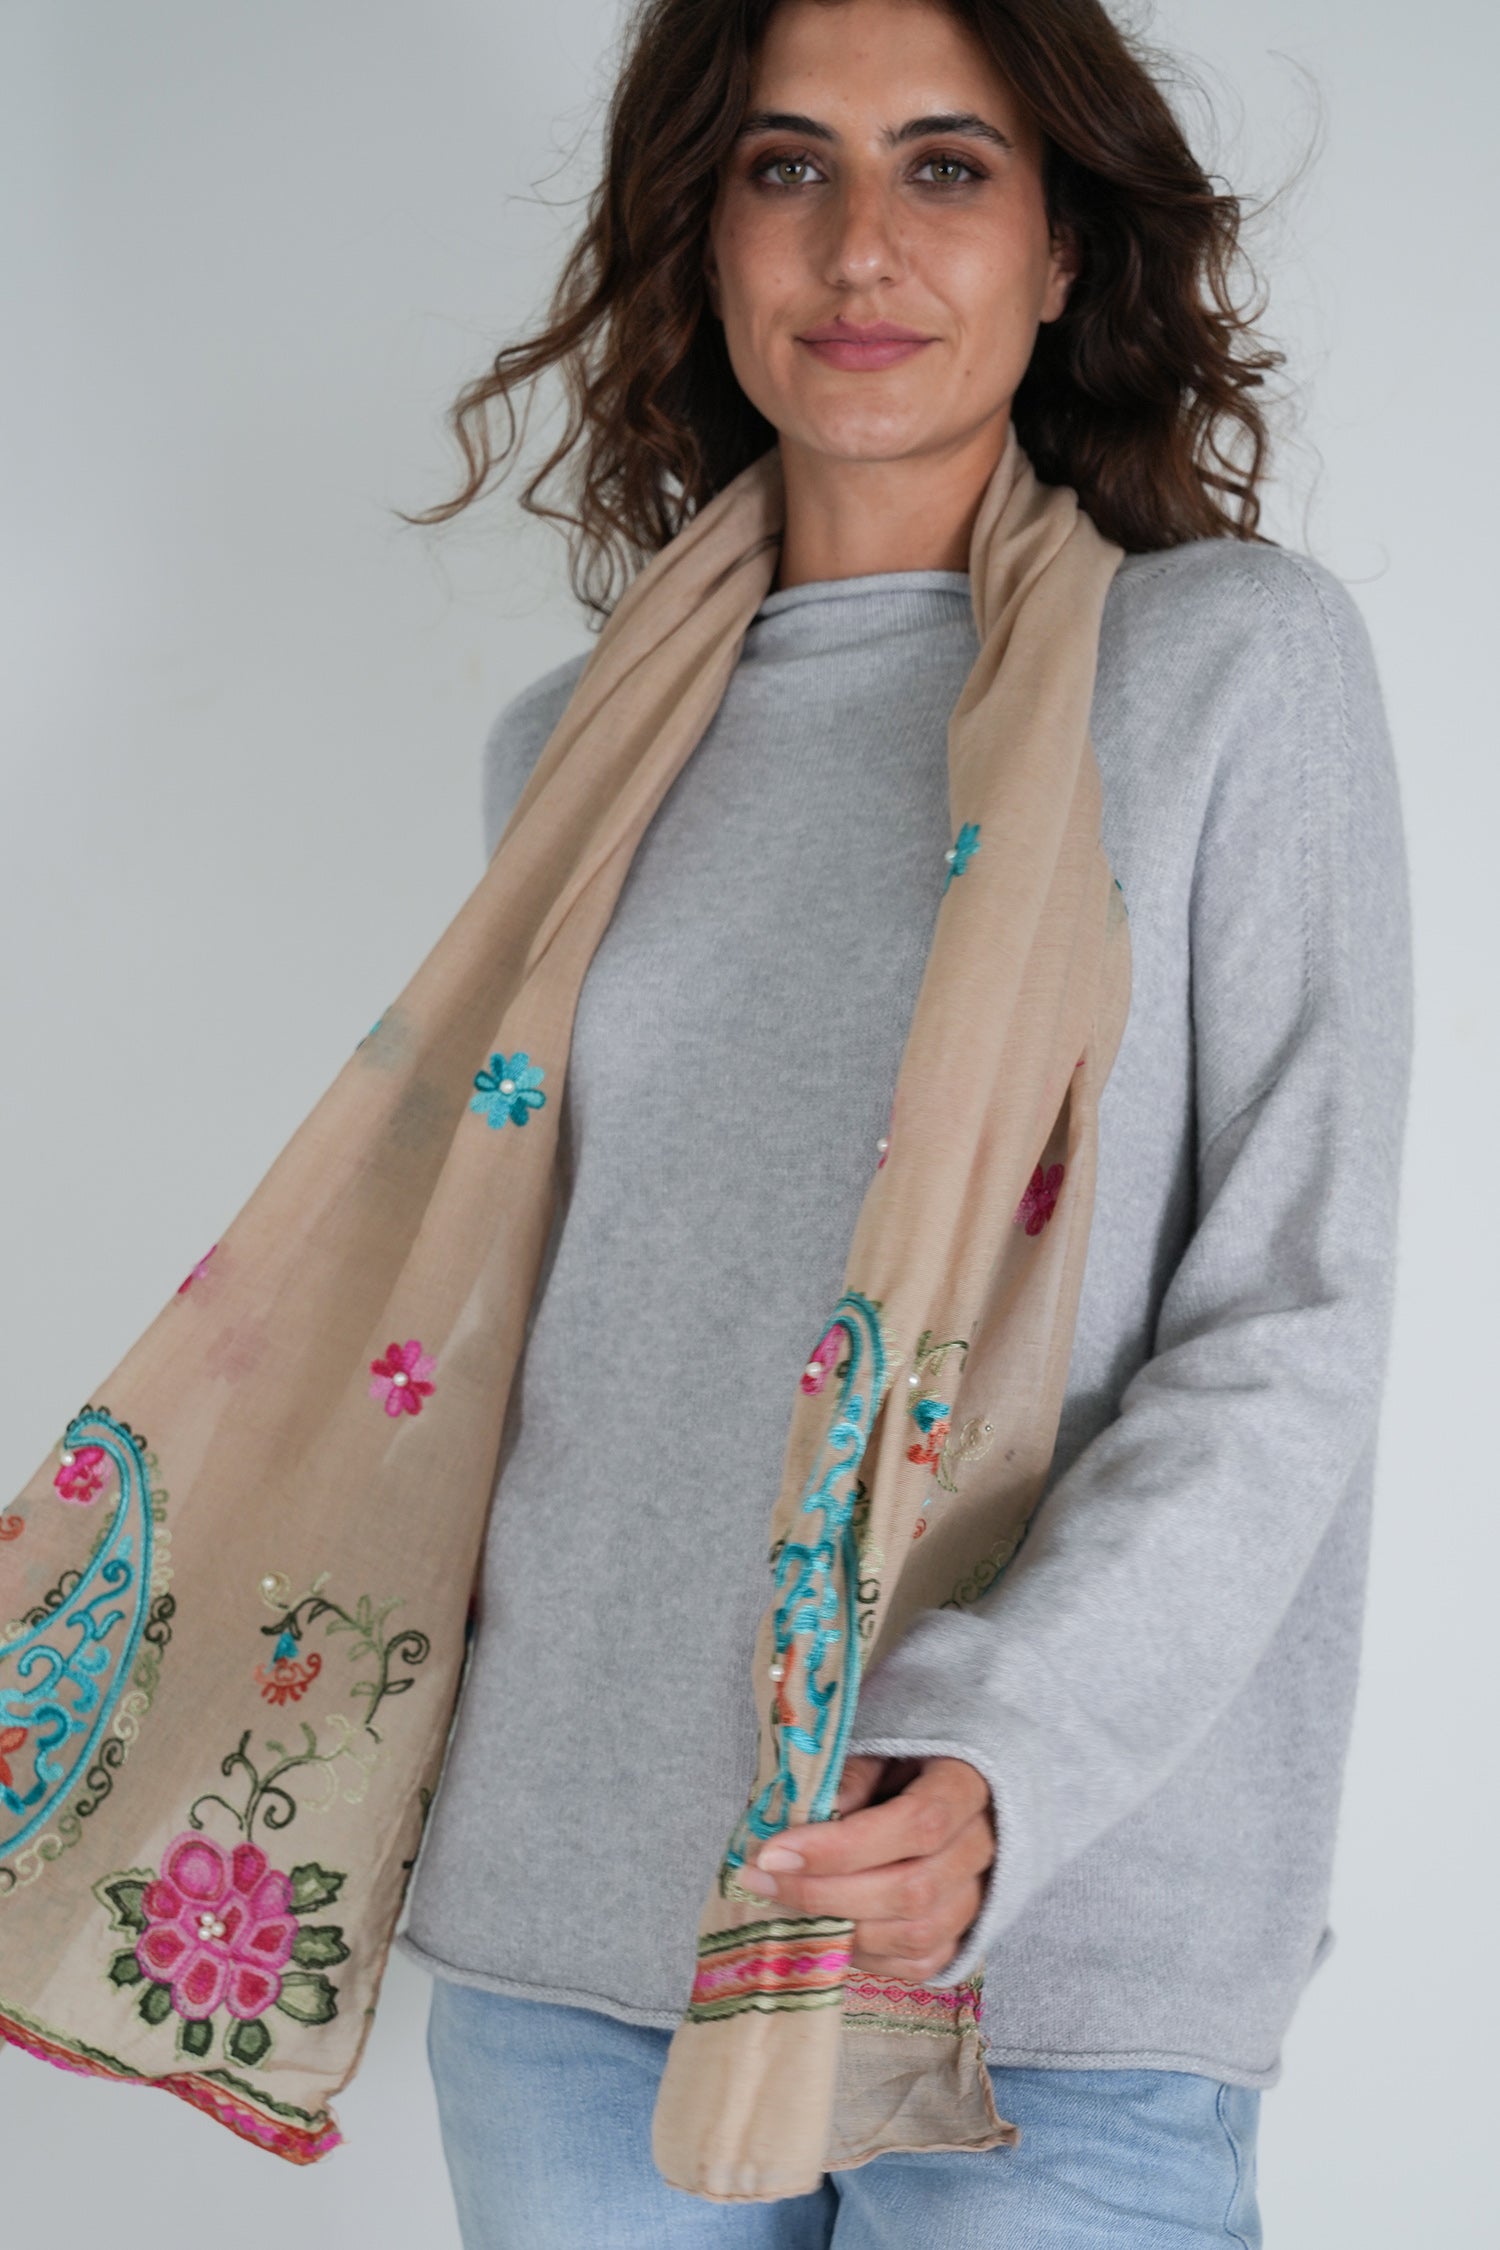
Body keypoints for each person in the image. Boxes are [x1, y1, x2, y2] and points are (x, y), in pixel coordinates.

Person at [397, 0, 1413, 2241]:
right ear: (706, 233)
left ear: (1066, 251)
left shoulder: (1231, 673)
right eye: (788, 167)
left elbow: (1290, 1319)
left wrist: (993, 1758)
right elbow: (524, 1335)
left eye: (948, 167)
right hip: (579, 1941)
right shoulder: (573, 749)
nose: (863, 242)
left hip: (1042, 1955)